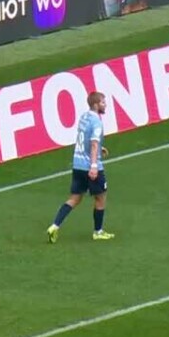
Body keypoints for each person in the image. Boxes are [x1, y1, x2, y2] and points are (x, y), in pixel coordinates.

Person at [46, 91, 114, 243]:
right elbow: (94, 142)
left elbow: (84, 138)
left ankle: (54, 226)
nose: (105, 105)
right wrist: (94, 165)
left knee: (74, 198)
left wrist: (99, 148)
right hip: (90, 165)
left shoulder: (84, 117)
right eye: (103, 103)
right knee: (101, 197)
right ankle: (98, 231)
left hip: (77, 164)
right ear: (96, 105)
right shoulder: (97, 122)